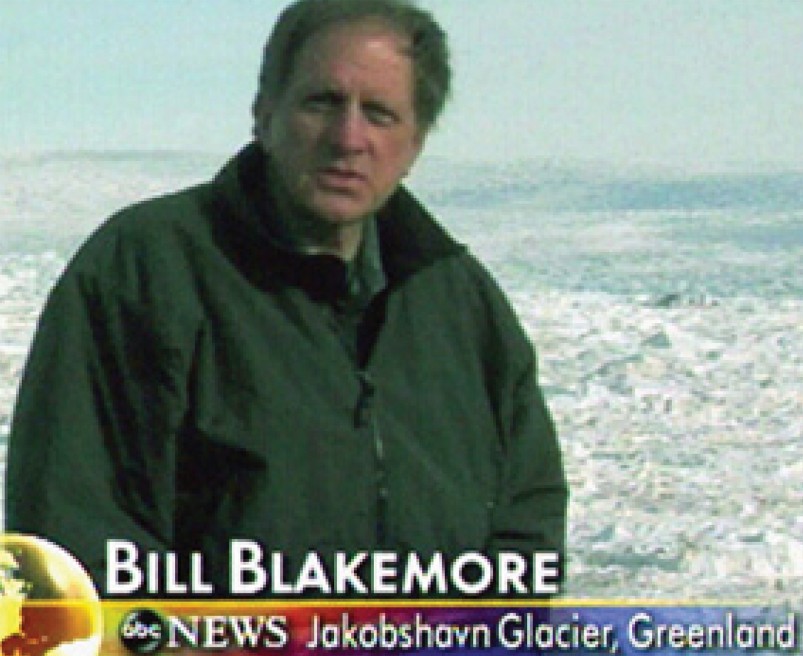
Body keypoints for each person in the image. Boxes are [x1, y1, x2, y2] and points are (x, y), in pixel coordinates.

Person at [4, 0, 567, 597]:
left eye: (379, 114)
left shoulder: (459, 304)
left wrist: (485, 652)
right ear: (264, 111)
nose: (349, 138)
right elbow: (77, 542)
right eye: (322, 102)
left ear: (415, 141)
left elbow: (525, 515)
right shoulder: (145, 273)